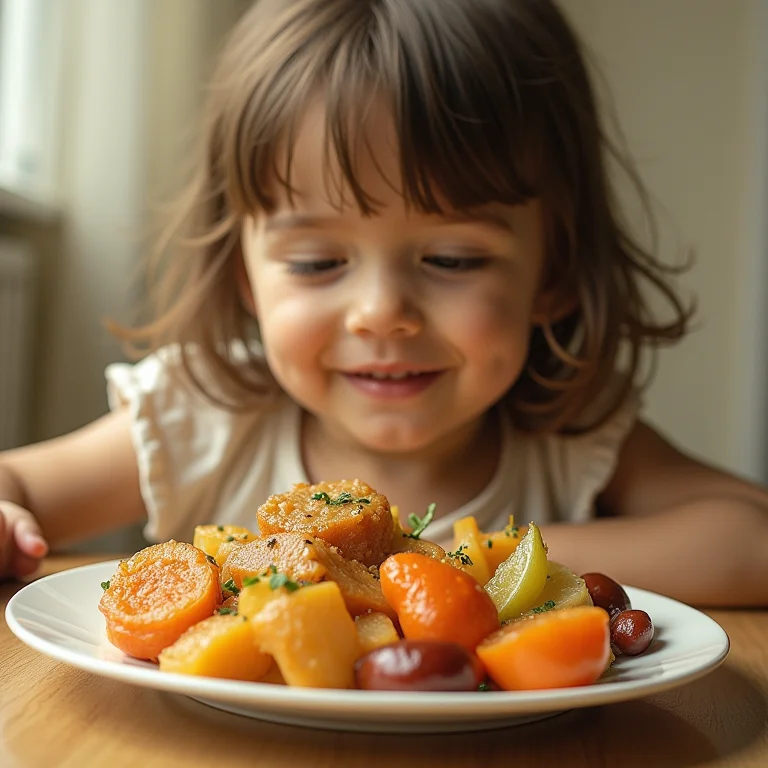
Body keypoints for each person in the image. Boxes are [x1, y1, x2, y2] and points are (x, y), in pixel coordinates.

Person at [1, 0, 766, 606]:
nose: (380, 312)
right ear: (247, 277)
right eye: (317, 262)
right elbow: (20, 484)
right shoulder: (201, 419)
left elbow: (751, 540)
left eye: (452, 259)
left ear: (554, 271)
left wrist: (466, 561)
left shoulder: (572, 440)